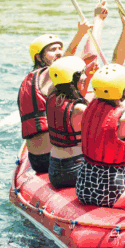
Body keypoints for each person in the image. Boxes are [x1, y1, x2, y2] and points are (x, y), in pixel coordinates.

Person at [18, 3, 107, 174]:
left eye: (60, 48)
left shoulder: (32, 80)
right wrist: (98, 20)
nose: (58, 52)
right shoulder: (49, 75)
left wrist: (80, 34)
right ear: (39, 56)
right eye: (52, 50)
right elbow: (90, 54)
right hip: (51, 158)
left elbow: (66, 59)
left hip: (36, 159)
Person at [75, 64, 125, 208]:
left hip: (84, 190)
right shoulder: (124, 119)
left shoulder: (88, 108)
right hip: (109, 196)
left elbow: (107, 108)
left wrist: (122, 103)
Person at [46, 56, 91, 188]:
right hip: (75, 169)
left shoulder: (51, 96)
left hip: (54, 170)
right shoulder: (80, 109)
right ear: (73, 78)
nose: (85, 77)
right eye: (81, 74)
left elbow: (66, 87)